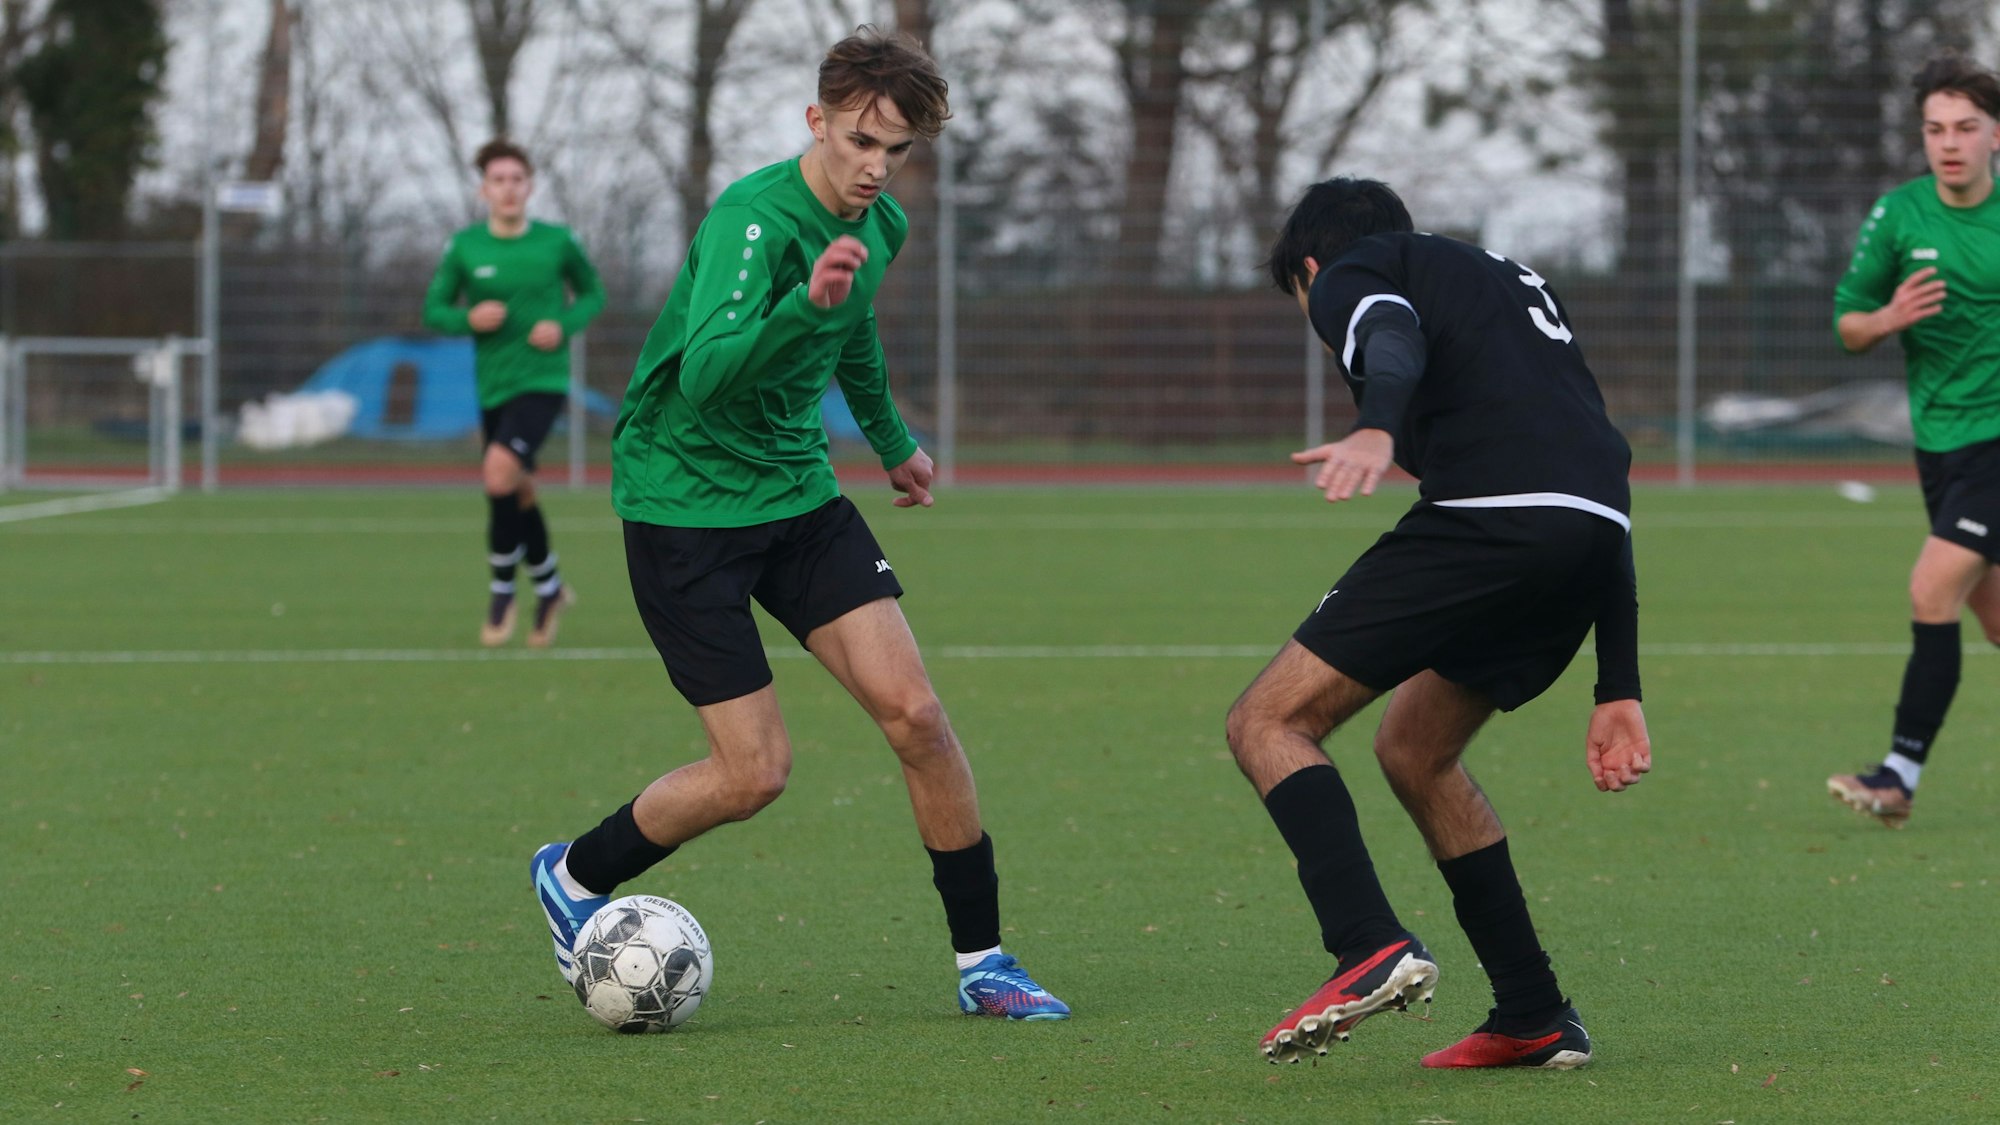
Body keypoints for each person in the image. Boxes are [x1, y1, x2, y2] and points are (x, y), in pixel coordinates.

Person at [528, 27, 1068, 1022]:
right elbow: (707, 373)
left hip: (799, 499)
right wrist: (798, 303)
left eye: (894, 150)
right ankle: (574, 870)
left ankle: (984, 964)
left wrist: (892, 441)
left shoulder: (883, 226)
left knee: (918, 719)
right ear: (815, 122)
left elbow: (850, 325)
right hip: (682, 507)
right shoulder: (750, 223)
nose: (874, 168)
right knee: (754, 773)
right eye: (859, 141)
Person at [1233, 177, 1651, 1069]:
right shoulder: (1512, 286)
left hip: (1490, 524)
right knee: (1415, 749)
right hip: (1586, 538)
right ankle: (1534, 1013)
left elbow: (1385, 333)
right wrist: (1619, 682)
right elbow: (1597, 467)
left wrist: (1376, 425)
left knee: (1267, 721)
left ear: (1311, 268)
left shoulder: (1348, 271)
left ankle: (1366, 944)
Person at [1826, 55, 2000, 829]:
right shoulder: (1898, 216)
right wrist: (1888, 319)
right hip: (1941, 444)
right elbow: (1848, 324)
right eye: (1935, 128)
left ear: (1996, 134)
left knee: (1932, 588)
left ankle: (1897, 774)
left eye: (1966, 127)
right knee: (1993, 619)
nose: (1949, 142)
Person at [423, 139, 605, 648]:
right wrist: (468, 319)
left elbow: (592, 293)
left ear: (530, 187)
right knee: (514, 488)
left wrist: (564, 325)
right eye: (498, 180)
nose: (508, 188)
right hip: (494, 385)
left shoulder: (558, 241)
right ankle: (549, 587)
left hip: (542, 382)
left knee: (497, 473)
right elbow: (434, 310)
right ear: (484, 190)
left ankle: (502, 589)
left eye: (516, 179)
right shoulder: (465, 248)